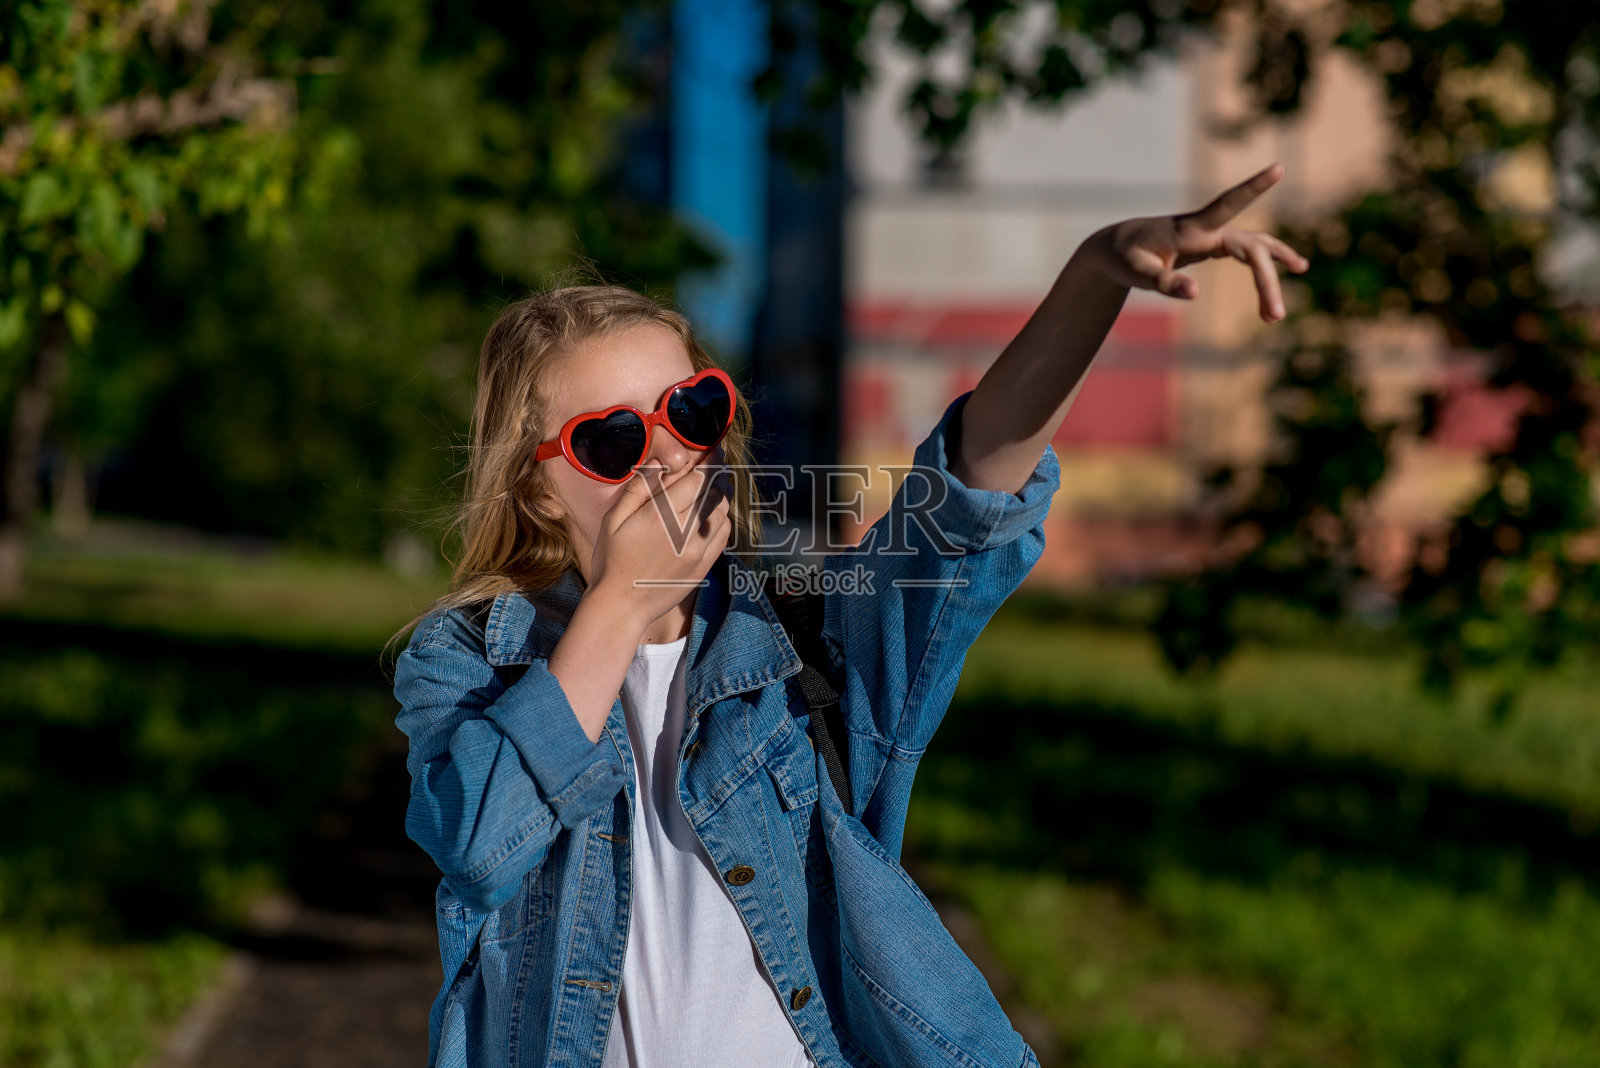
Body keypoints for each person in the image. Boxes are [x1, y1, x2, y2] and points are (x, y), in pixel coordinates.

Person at [389, 163, 1308, 1068]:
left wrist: (1097, 272)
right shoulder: (468, 661)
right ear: (539, 490)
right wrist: (622, 605)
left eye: (692, 412)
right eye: (614, 440)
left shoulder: (808, 633)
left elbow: (967, 500)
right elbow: (477, 844)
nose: (668, 458)